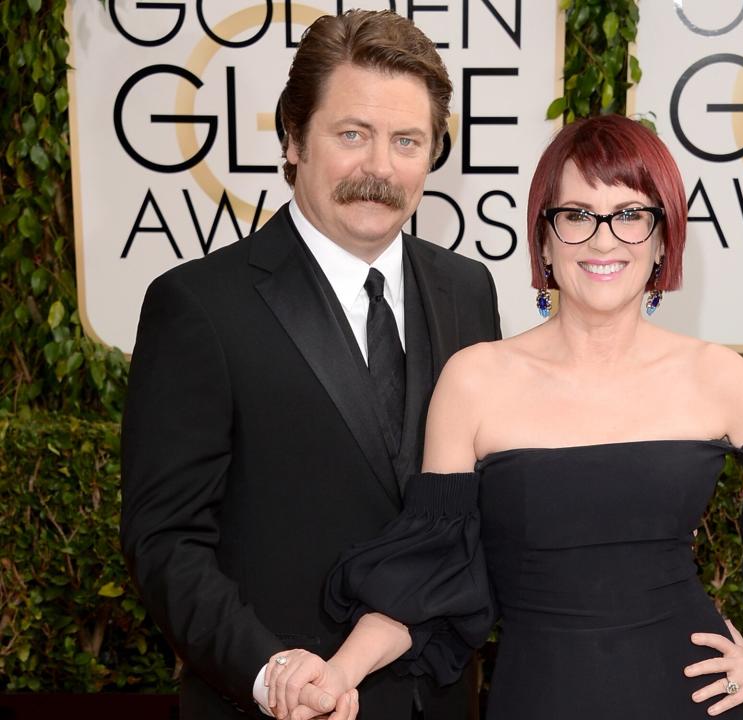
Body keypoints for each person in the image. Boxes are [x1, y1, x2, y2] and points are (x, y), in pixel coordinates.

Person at [270, 114, 743, 719]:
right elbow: (423, 579)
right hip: (539, 698)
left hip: (690, 699)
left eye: (630, 215)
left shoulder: (715, 375)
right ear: (546, 239)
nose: (603, 239)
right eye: (578, 214)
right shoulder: (475, 380)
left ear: (660, 241)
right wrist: (339, 672)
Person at [119, 10, 500, 720]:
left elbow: (478, 509)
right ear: (294, 139)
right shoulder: (198, 306)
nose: (380, 168)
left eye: (407, 141)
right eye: (352, 134)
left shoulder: (467, 290)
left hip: (440, 700)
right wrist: (268, 672)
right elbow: (165, 539)